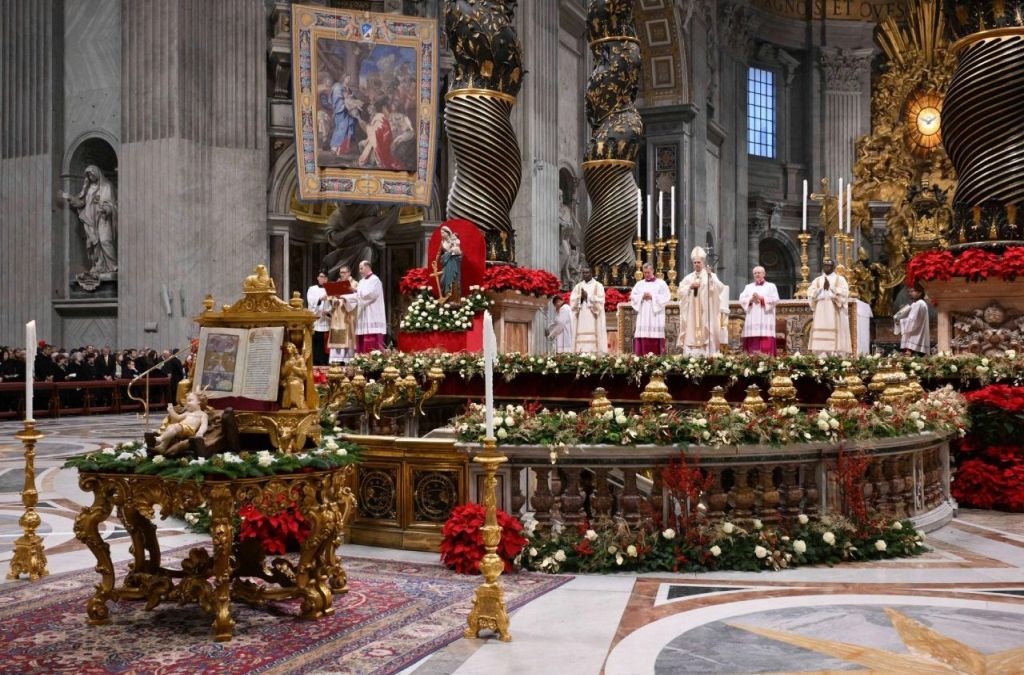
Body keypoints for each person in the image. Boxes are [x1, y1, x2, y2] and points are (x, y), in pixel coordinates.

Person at [61, 164, 118, 278]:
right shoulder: (88, 188)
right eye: (88, 175)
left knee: (105, 240)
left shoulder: (107, 186)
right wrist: (68, 197)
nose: (90, 177)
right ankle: (99, 266)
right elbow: (81, 203)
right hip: (90, 221)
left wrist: (106, 209)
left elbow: (112, 204)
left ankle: (113, 266)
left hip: (103, 219)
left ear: (97, 173)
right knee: (94, 244)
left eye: (92, 174)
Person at [677, 247, 726, 356]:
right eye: (694, 262)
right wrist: (690, 286)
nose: (696, 264)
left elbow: (720, 288)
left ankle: (707, 351)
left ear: (703, 262)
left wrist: (710, 277)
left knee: (706, 326)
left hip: (705, 310)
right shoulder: (688, 278)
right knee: (691, 328)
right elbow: (680, 291)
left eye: (698, 262)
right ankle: (691, 352)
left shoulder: (710, 276)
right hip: (692, 312)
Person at [807, 258, 852, 354]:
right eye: (825, 266)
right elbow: (810, 293)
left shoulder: (840, 279)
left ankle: (834, 353)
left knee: (834, 333)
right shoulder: (817, 280)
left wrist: (831, 288)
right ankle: (819, 353)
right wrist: (820, 290)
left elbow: (844, 293)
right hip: (820, 310)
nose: (826, 267)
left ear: (834, 267)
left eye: (829, 266)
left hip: (833, 309)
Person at [630, 263, 672, 355]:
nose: (646, 275)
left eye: (648, 272)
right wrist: (641, 296)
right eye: (645, 273)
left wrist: (653, 296)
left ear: (653, 271)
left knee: (655, 334)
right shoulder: (639, 284)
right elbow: (633, 296)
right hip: (643, 314)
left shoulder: (661, 283)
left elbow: (667, 296)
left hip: (655, 314)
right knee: (643, 334)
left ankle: (657, 356)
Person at [738, 266, 780, 356]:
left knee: (766, 338)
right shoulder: (748, 287)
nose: (757, 274)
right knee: (753, 339)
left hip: (766, 317)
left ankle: (767, 360)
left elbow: (775, 299)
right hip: (752, 317)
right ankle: (751, 359)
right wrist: (751, 299)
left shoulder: (771, 286)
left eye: (759, 272)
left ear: (764, 274)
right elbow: (742, 299)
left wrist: (762, 299)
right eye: (755, 273)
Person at [570, 267, 608, 354]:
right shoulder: (578, 286)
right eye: (583, 273)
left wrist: (588, 297)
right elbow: (572, 302)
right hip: (581, 317)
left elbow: (601, 302)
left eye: (587, 273)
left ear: (592, 273)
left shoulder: (598, 286)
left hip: (593, 317)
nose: (585, 275)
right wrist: (580, 298)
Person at [328, 265, 359, 364]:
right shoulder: (337, 283)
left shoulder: (354, 284)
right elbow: (331, 298)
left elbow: (356, 298)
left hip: (348, 314)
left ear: (349, 273)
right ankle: (336, 359)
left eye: (344, 272)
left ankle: (348, 358)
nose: (342, 274)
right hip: (337, 313)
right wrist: (334, 299)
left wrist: (344, 298)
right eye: (341, 272)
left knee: (348, 335)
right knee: (337, 332)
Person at [355, 260, 387, 353]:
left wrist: (355, 291)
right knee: (362, 335)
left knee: (372, 336)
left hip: (373, 312)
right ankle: (361, 358)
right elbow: (358, 296)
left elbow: (370, 294)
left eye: (361, 268)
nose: (360, 271)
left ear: (368, 267)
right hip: (363, 313)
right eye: (359, 269)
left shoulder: (375, 280)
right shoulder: (361, 281)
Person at [358, 96, 398, 169]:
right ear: (369, 112)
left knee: (373, 157)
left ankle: (374, 158)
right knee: (361, 144)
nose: (371, 109)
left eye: (371, 107)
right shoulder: (373, 118)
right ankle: (371, 158)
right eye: (369, 109)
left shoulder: (379, 116)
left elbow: (381, 130)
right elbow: (372, 133)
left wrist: (370, 129)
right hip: (375, 141)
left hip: (382, 142)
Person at [894, 285, 930, 356]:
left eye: (912, 291)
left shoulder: (919, 304)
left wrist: (899, 321)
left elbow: (913, 321)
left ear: (920, 293)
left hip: (914, 339)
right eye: (909, 292)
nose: (910, 293)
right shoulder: (918, 303)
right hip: (915, 338)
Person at [307, 270, 330, 366]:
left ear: (327, 278)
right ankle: (316, 360)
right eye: (321, 276)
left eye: (324, 277)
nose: (322, 279)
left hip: (326, 319)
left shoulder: (330, 288)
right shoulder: (312, 289)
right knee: (316, 340)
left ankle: (325, 360)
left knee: (324, 341)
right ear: (317, 278)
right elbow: (310, 301)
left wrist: (328, 311)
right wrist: (320, 299)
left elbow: (333, 302)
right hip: (316, 320)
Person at [437, 225, 462, 302]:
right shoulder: (442, 243)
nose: (442, 235)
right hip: (446, 264)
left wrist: (453, 253)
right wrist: (436, 260)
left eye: (443, 233)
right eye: (441, 233)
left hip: (454, 263)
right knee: (443, 281)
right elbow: (439, 253)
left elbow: (460, 253)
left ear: (448, 233)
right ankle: (446, 299)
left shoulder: (454, 241)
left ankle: (455, 300)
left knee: (454, 281)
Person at [279, 342, 307, 409]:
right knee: (287, 384)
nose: (288, 348)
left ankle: (295, 404)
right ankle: (286, 405)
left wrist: (293, 367)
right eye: (287, 347)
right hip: (286, 380)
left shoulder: (300, 359)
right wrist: (287, 366)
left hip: (297, 380)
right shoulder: (285, 361)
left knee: (293, 384)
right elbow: (282, 374)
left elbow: (304, 373)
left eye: (289, 347)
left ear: (294, 349)